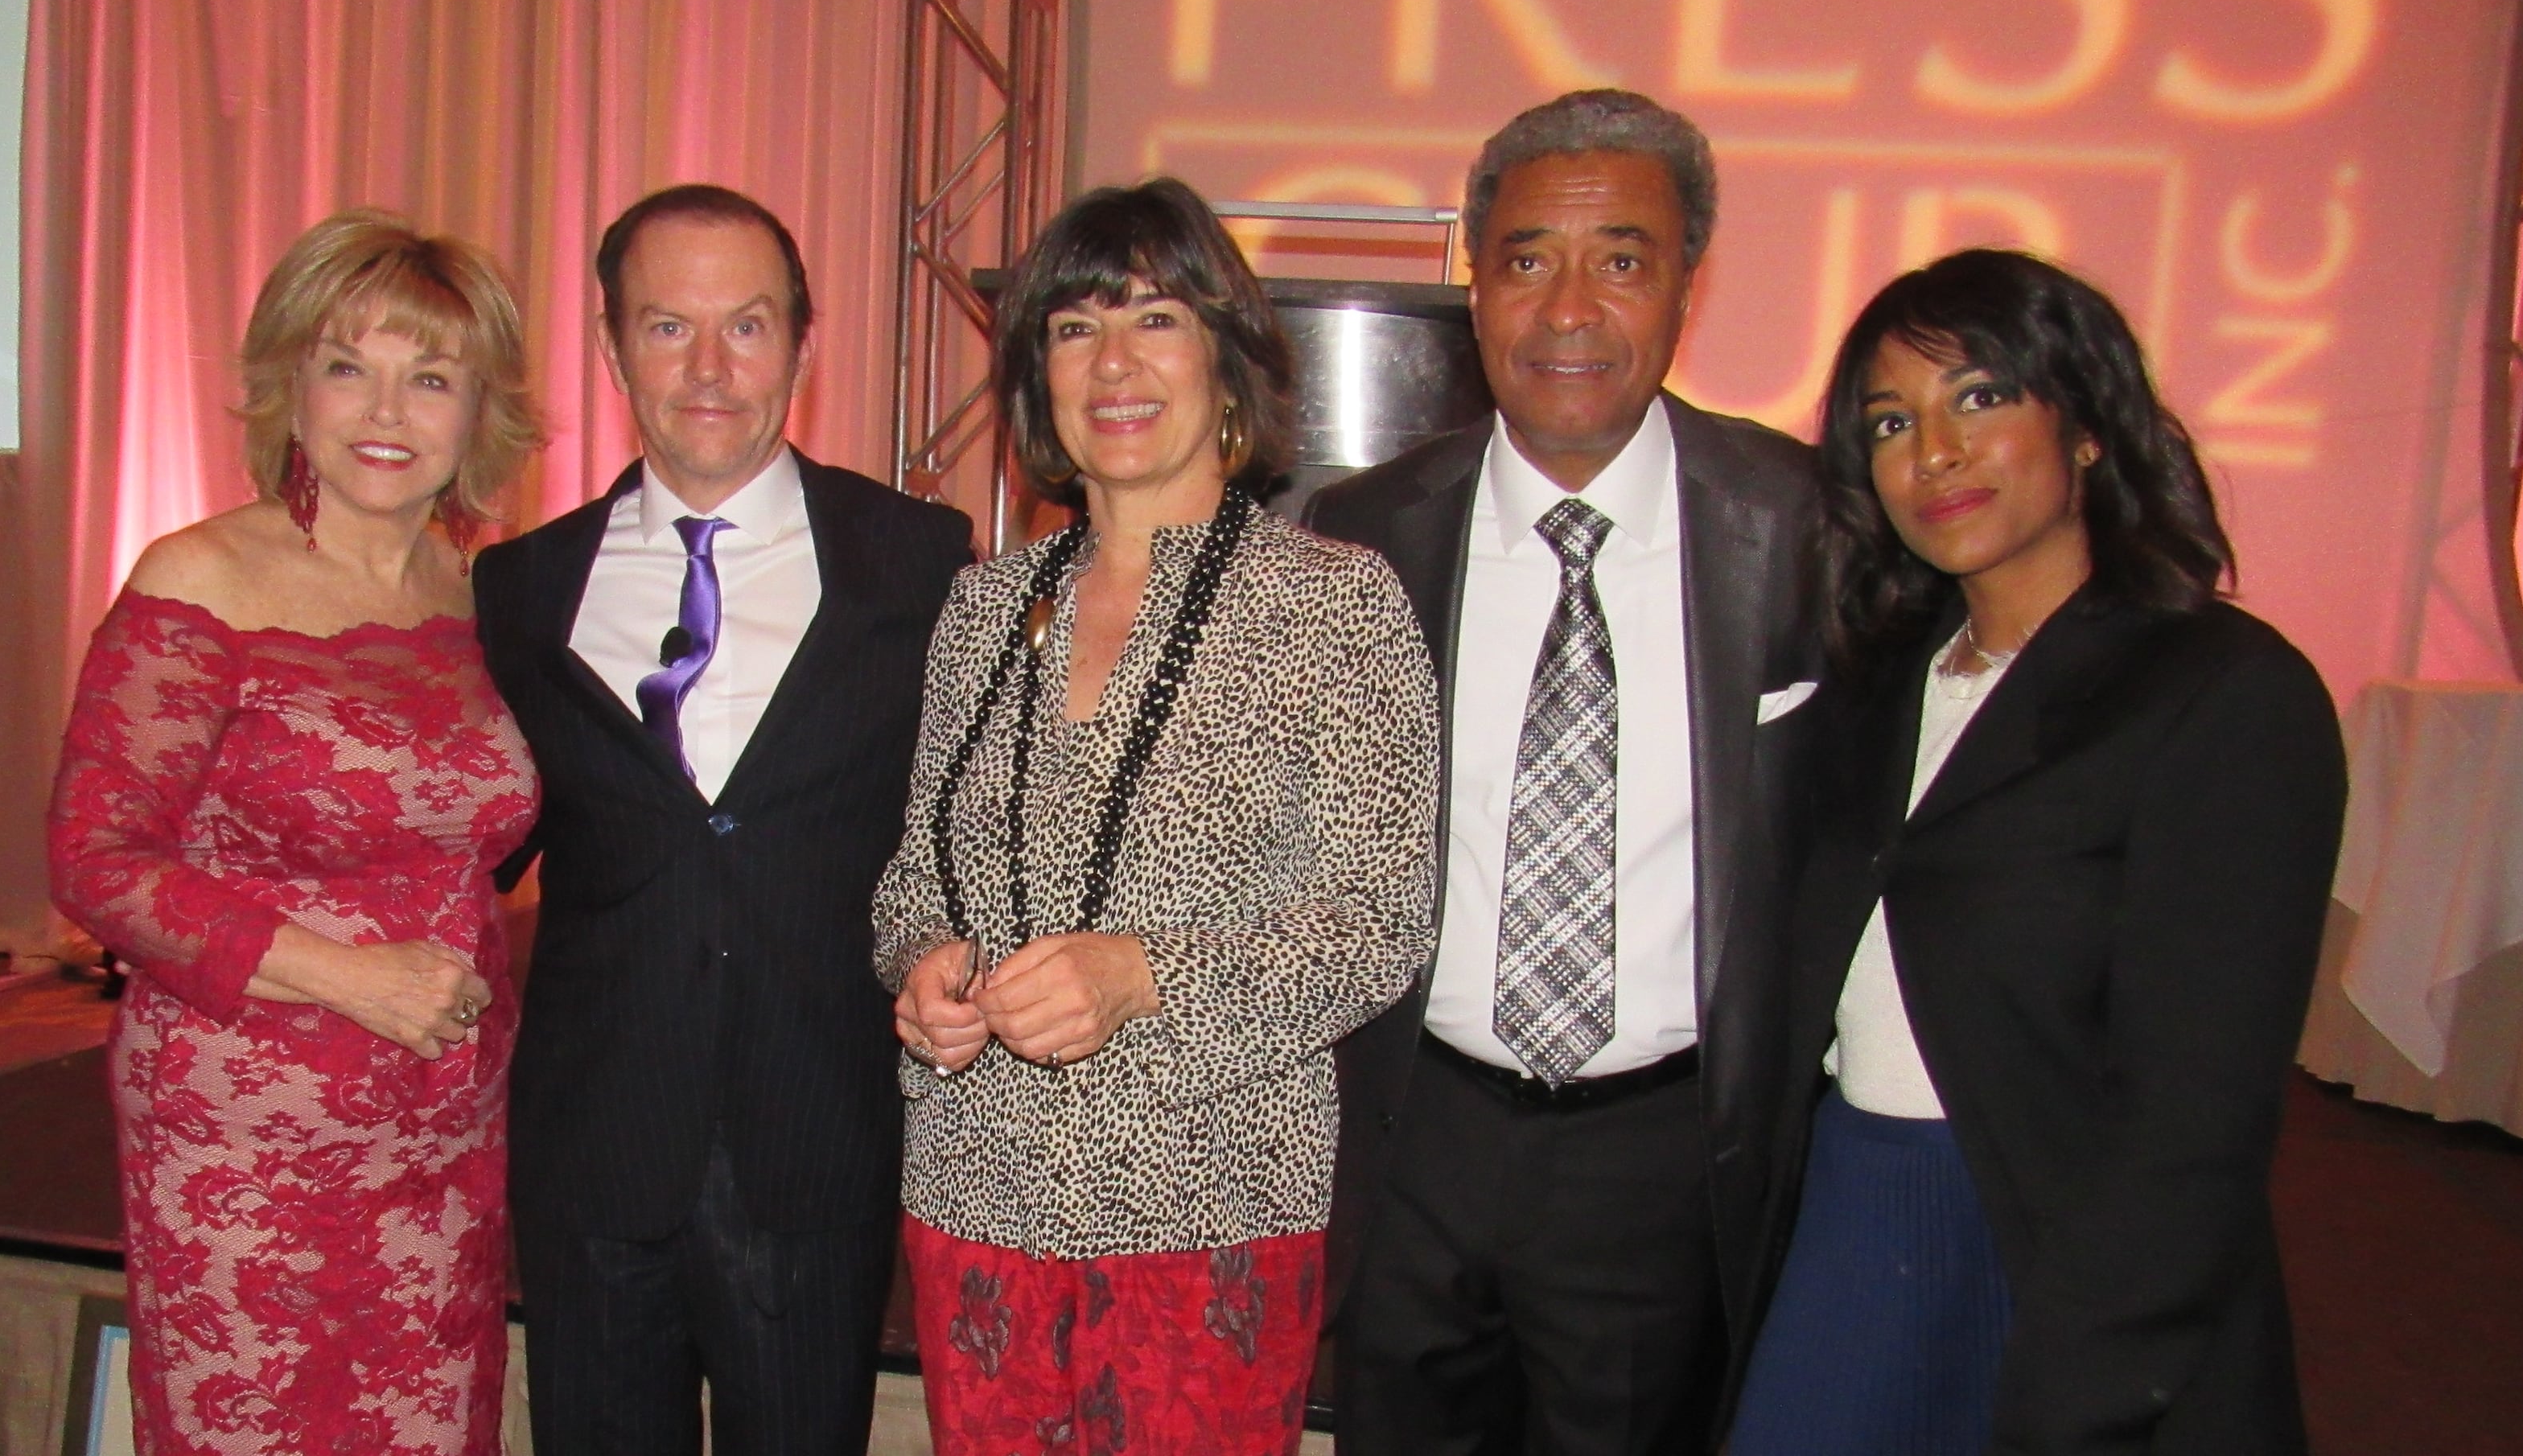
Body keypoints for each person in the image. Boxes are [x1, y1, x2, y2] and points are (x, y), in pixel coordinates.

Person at [1727, 249, 2346, 1455]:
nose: (1935, 454)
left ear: (2090, 425)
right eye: (1892, 422)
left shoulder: (2221, 690)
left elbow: (2199, 1119)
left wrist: (2104, 1364)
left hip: (2067, 1252)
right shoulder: (1871, 691)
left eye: (1982, 397)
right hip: (1855, 1211)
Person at [873, 176, 1439, 1455]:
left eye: (1158, 319)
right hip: (978, 1191)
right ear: (1037, 381)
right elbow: (915, 875)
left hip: (1211, 1203)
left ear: (1229, 364)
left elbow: (1377, 923)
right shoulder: (983, 610)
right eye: (1074, 329)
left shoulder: (1334, 607)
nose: (1114, 363)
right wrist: (919, 971)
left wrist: (1144, 977)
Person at [1307, 88, 1824, 1455]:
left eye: (1624, 261)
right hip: (1415, 1132)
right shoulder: (1362, 533)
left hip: (1661, 1154)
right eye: (1529, 259)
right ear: (1476, 288)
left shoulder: (1803, 526)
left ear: (1685, 290)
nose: (1572, 309)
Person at [471, 184, 973, 1456]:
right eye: (666, 327)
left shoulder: (920, 562)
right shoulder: (520, 587)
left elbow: (974, 825)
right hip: (594, 1146)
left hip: (816, 1134)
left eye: (746, 327)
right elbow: (468, 839)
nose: (708, 369)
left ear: (804, 344)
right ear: (610, 347)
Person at [48, 209, 546, 1456]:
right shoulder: (201, 579)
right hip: (247, 1133)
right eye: (347, 365)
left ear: (477, 412)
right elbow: (96, 858)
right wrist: (351, 979)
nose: (386, 409)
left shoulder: (483, 598)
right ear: (293, 386)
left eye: (429, 377)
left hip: (443, 1129)